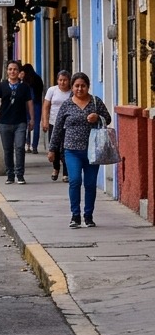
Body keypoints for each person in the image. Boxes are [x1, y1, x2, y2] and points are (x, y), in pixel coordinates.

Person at [47, 71, 112, 229]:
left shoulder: (95, 102)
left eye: (83, 86)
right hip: (71, 150)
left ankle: (88, 216)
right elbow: (57, 129)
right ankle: (75, 216)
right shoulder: (67, 104)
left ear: (88, 87)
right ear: (72, 87)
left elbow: (108, 118)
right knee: (75, 181)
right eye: (76, 86)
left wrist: (97, 117)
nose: (80, 89)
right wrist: (52, 149)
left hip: (92, 151)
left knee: (90, 184)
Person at [0, 60, 34, 185]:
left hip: (20, 122)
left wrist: (32, 119)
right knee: (8, 149)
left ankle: (20, 175)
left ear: (19, 71)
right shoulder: (2, 85)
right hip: (4, 122)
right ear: (7, 71)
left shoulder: (24, 87)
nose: (12, 72)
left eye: (15, 69)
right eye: (10, 69)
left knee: (20, 147)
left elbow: (30, 103)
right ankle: (10, 175)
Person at [42, 70, 72, 181]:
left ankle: (66, 173)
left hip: (67, 125)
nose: (62, 82)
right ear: (57, 80)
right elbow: (46, 106)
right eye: (60, 80)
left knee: (65, 148)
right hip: (53, 123)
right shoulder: (52, 90)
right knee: (54, 147)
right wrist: (45, 120)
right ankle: (55, 168)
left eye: (65, 80)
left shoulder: (72, 92)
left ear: (69, 81)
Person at [21, 62, 45, 153]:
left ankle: (27, 145)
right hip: (37, 104)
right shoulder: (38, 79)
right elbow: (41, 91)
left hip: (26, 105)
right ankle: (34, 146)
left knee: (27, 124)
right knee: (36, 125)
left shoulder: (25, 81)